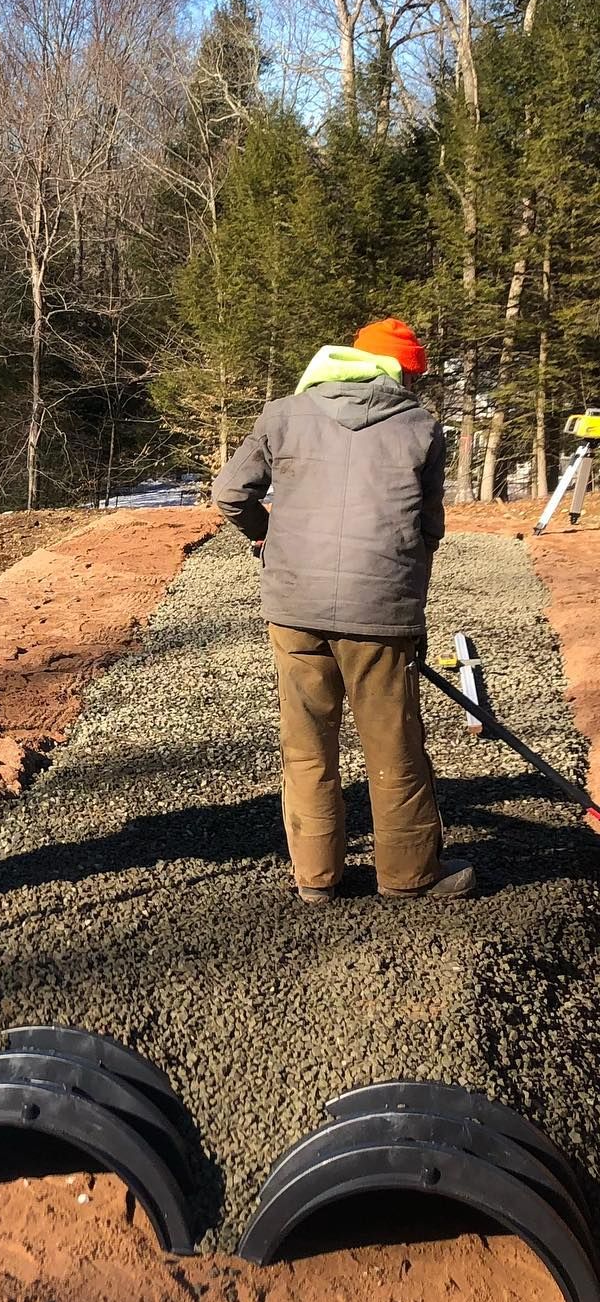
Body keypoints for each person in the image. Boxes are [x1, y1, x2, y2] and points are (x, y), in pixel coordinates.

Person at [212, 317, 473, 904]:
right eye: (411, 374)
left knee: (306, 746)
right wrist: (412, 619)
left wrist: (264, 535)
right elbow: (427, 531)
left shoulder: (283, 414)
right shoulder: (421, 426)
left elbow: (231, 493)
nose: (412, 384)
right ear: (397, 370)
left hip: (294, 606)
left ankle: (316, 879)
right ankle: (409, 877)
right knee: (394, 744)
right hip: (380, 614)